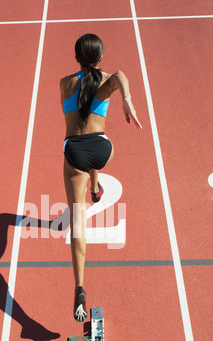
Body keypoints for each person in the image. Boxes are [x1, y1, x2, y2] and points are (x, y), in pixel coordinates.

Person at [60, 33, 142, 322]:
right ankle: (96, 185)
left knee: (77, 223)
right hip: (103, 149)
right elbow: (119, 75)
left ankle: (79, 286)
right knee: (93, 153)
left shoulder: (65, 83)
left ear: (76, 57)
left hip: (75, 152)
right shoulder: (107, 80)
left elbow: (76, 108)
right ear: (100, 56)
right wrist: (126, 100)